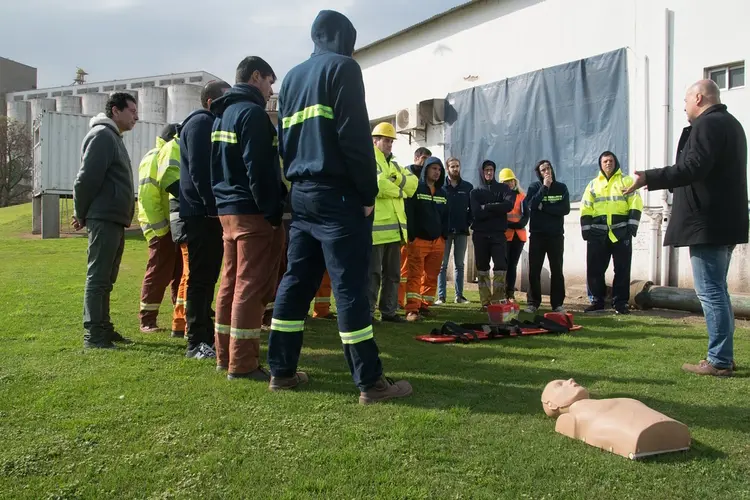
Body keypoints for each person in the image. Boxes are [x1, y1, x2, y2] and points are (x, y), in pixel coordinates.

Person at [269, 9, 412, 404]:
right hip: (339, 197)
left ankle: (281, 371)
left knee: (296, 282)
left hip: (301, 193)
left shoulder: (293, 78)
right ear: (344, 38)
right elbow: (354, 139)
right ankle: (370, 383)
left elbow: (284, 143)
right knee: (349, 287)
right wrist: (367, 194)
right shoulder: (344, 70)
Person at [625, 79, 747, 377]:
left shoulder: (708, 125)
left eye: (686, 100)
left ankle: (719, 360)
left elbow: (693, 168)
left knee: (711, 292)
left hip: (708, 222)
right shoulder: (732, 125)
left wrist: (648, 178)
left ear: (699, 97)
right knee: (717, 291)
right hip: (723, 220)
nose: (683, 107)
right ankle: (723, 356)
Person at [210, 57, 286, 380]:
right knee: (250, 287)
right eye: (270, 81)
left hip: (227, 211)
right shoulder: (252, 115)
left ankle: (224, 355)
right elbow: (260, 170)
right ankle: (242, 364)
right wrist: (272, 212)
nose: (271, 89)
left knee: (229, 283)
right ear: (256, 76)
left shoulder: (222, 116)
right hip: (252, 213)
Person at [72, 92, 138, 348]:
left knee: (106, 277)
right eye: (131, 111)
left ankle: (104, 327)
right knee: (98, 276)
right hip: (105, 218)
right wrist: (81, 212)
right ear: (115, 111)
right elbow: (85, 179)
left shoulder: (113, 137)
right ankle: (94, 334)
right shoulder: (102, 136)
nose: (136, 116)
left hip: (113, 218)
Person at [179, 79, 231, 360]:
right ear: (211, 102)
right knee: (201, 279)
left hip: (204, 212)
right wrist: (213, 207)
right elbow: (200, 171)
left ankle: (204, 333)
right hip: (201, 215)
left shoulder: (207, 123)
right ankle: (196, 341)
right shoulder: (201, 123)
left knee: (207, 277)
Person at [581, 151, 643, 315]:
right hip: (597, 234)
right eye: (604, 161)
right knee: (594, 270)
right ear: (600, 165)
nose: (608, 163)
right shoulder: (593, 184)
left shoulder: (627, 181)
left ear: (615, 162)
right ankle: (597, 302)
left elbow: (636, 203)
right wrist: (586, 231)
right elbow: (586, 207)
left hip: (621, 233)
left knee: (622, 270)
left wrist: (631, 228)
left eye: (610, 160)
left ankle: (620, 303)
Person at [368, 122, 418, 323]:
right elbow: (377, 185)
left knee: (393, 274)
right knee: (373, 274)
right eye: (386, 140)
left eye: (391, 141)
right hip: (376, 230)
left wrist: (395, 178)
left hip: (396, 230)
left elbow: (413, 185)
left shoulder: (395, 165)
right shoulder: (370, 159)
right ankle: (368, 312)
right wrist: (399, 191)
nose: (390, 144)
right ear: (375, 140)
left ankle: (388, 312)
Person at [136, 123, 181, 333]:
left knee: (179, 271)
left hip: (172, 226)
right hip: (159, 227)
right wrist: (162, 230)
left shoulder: (167, 153)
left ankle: (180, 314)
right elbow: (147, 196)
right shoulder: (154, 156)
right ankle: (147, 319)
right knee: (159, 271)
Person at [404, 157, 449, 322]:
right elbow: (410, 214)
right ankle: (412, 310)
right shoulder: (416, 189)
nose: (436, 172)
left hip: (437, 242)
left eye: (439, 169)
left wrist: (443, 236)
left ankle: (424, 305)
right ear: (426, 170)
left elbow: (446, 217)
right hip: (419, 241)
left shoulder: (443, 193)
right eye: (433, 169)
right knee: (415, 276)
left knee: (431, 276)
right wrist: (412, 236)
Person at [469, 160, 516, 309]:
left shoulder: (503, 188)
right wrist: (497, 208)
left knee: (501, 266)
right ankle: (485, 301)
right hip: (480, 234)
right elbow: (477, 213)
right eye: (486, 170)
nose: (489, 173)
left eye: (491, 170)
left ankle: (498, 299)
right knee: (482, 268)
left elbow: (508, 205)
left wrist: (487, 206)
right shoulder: (475, 192)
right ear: (482, 172)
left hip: (497, 234)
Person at [525, 160, 570, 313]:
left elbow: (565, 209)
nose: (547, 172)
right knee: (534, 270)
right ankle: (533, 303)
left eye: (548, 168)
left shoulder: (561, 188)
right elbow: (531, 205)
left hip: (555, 236)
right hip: (537, 235)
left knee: (557, 270)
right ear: (539, 173)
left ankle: (557, 304)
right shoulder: (534, 187)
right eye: (543, 170)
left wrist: (544, 207)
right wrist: (544, 187)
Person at [435, 157, 472, 305]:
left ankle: (459, 296)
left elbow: (472, 209)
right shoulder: (441, 187)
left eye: (457, 166)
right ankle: (441, 296)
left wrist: (468, 222)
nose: (455, 169)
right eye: (452, 167)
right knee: (442, 265)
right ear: (447, 168)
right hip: (445, 232)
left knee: (460, 265)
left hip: (462, 231)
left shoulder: (467, 187)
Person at [399, 147, 432, 307]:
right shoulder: (405, 174)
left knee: (418, 271)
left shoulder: (426, 179)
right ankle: (397, 301)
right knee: (403, 270)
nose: (426, 162)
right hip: (406, 230)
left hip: (421, 232)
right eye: (424, 158)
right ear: (416, 157)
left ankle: (416, 302)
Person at [498, 167, 528, 301]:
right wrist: (511, 224)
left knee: (512, 265)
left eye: (510, 181)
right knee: (504, 264)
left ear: (515, 181)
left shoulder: (522, 196)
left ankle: (510, 293)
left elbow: (526, 215)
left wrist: (518, 224)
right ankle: (502, 292)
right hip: (505, 234)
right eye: (505, 182)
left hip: (518, 235)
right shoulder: (500, 197)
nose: (509, 183)